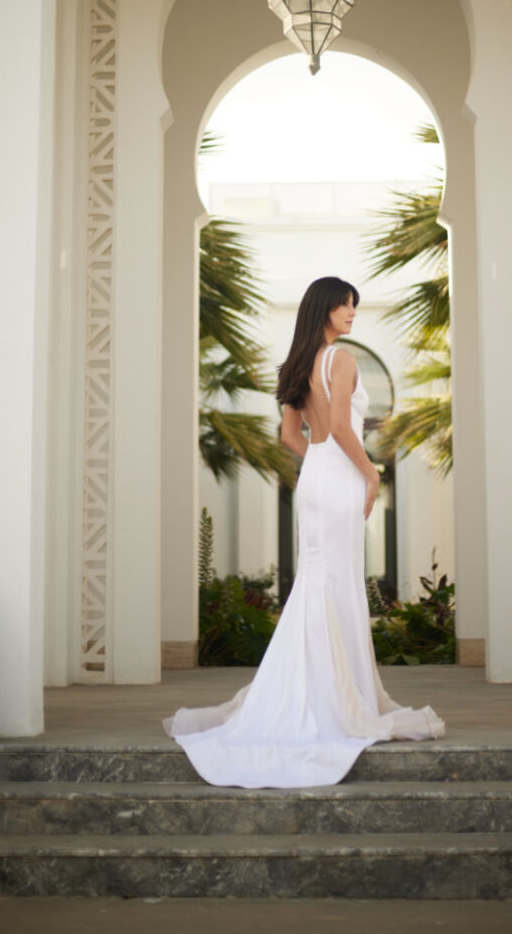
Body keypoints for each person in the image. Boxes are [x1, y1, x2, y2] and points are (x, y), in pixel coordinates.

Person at [163, 276, 444, 788]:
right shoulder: (342, 360)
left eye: (355, 305)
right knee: (336, 586)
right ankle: (337, 700)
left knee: (320, 585)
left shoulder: (296, 365)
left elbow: (291, 436)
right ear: (326, 308)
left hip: (315, 478)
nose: (353, 312)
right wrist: (371, 471)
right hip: (337, 478)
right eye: (346, 305)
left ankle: (312, 692)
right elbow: (340, 428)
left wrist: (318, 463)